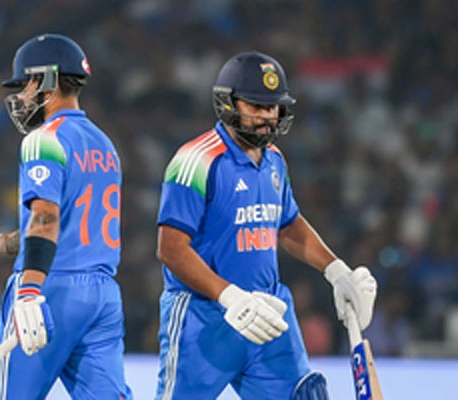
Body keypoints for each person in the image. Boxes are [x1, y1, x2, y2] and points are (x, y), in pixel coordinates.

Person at [154, 51, 377, 399]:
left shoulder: (274, 159)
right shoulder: (195, 161)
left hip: (270, 314)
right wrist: (230, 297)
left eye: (273, 107)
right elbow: (170, 249)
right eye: (256, 106)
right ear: (228, 103)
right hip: (203, 318)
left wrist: (336, 270)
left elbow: (287, 225)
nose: (267, 117)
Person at [0, 33, 132, 400]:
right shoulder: (105, 144)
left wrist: (29, 290)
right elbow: (64, 230)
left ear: (45, 81)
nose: (21, 96)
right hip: (102, 297)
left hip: (49, 289)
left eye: (24, 85)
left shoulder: (44, 139)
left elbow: (45, 219)